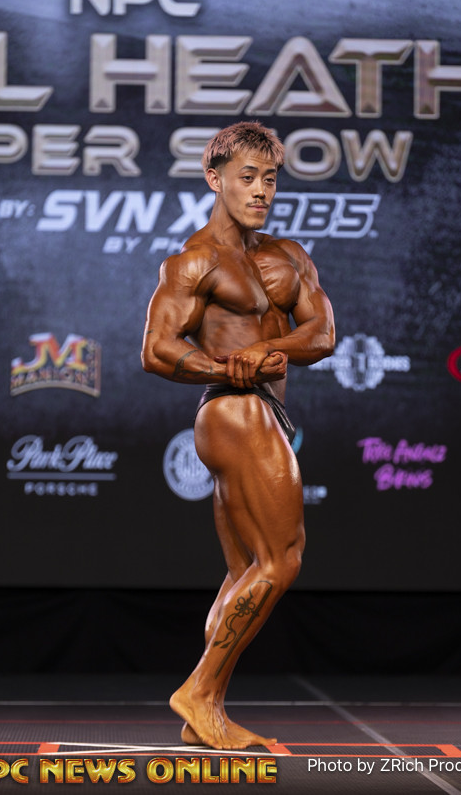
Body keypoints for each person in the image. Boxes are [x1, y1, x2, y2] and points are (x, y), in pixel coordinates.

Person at [141, 121, 335, 750]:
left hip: (260, 408)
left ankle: (207, 713)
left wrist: (268, 351)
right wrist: (228, 367)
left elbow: (322, 334)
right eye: (247, 178)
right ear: (215, 179)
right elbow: (156, 349)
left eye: (269, 179)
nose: (260, 191)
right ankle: (199, 692)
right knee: (283, 558)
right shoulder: (195, 260)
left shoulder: (289, 256)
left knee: (245, 571)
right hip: (233, 409)